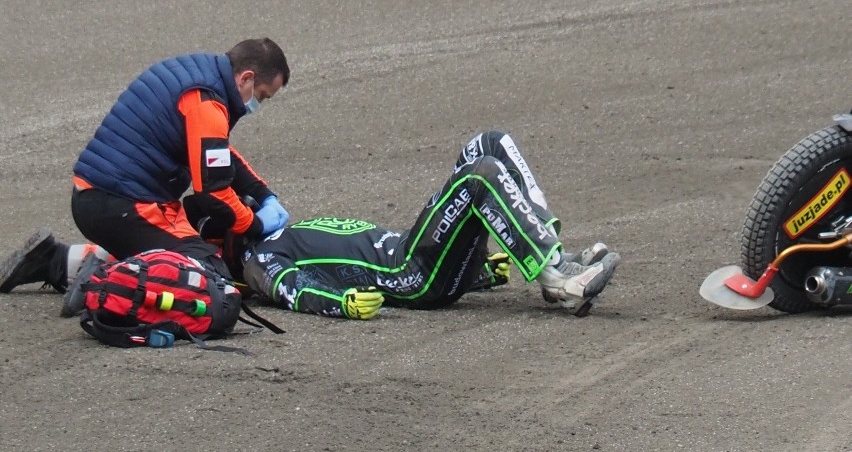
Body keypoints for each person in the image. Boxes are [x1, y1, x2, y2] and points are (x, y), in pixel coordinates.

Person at [0, 38, 291, 294]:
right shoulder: (206, 102)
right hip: (122, 206)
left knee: (177, 245)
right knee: (210, 277)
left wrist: (264, 195)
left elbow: (216, 152)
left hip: (99, 196)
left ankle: (55, 260)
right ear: (247, 78)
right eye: (262, 95)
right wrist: (255, 224)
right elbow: (213, 193)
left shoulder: (200, 73)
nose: (258, 104)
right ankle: (102, 282)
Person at [236, 130, 620, 319]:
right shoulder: (260, 260)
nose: (247, 204)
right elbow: (293, 291)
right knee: (478, 176)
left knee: (490, 144)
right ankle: (558, 279)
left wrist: (479, 273)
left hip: (418, 252)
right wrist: (341, 305)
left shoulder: (280, 233)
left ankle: (551, 251)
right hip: (409, 273)